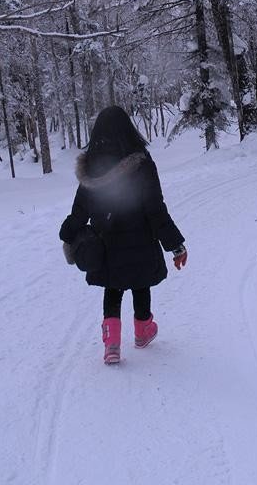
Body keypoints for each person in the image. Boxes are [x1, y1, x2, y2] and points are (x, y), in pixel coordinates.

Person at [59, 105, 187, 364]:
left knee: (113, 289)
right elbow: (155, 208)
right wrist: (176, 245)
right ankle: (143, 331)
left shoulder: (91, 168)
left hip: (106, 244)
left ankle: (112, 345)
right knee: (141, 284)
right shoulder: (142, 163)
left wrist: (68, 234)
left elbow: (80, 210)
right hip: (141, 240)